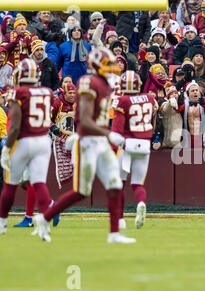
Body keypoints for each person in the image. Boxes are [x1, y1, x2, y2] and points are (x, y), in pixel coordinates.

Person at [37, 48, 135, 243]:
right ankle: (44, 218)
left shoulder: (105, 84)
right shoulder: (89, 82)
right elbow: (85, 120)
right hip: (88, 141)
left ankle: (114, 233)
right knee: (82, 191)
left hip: (100, 140)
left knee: (115, 184)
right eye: (107, 64)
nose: (112, 68)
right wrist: (110, 134)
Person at [0, 59, 54, 235]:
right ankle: (44, 223)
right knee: (39, 183)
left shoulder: (18, 92)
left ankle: (2, 223)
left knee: (10, 185)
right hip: (43, 140)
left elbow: (15, 127)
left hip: (24, 140)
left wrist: (7, 148)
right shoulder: (47, 92)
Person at [111, 71, 157, 229]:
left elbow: (116, 130)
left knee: (119, 183)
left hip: (127, 144)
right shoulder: (149, 98)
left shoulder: (122, 101)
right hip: (144, 145)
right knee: (138, 184)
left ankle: (120, 218)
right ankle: (141, 203)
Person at [178, 80, 205, 148]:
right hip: (188, 138)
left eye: (196, 90)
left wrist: (203, 103)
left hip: (202, 137)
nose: (195, 92)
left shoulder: (204, 101)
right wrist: (179, 103)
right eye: (192, 91)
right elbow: (179, 109)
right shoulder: (185, 104)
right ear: (188, 93)